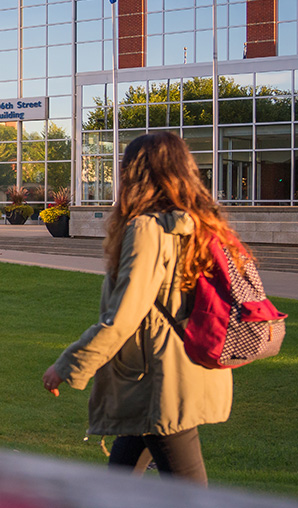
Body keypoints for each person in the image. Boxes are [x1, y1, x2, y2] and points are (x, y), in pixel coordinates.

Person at [40, 131, 246, 486]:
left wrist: (68, 365)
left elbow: (124, 314)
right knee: (121, 482)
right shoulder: (198, 224)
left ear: (136, 175)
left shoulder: (149, 229)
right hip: (172, 370)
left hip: (160, 380)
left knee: (188, 491)